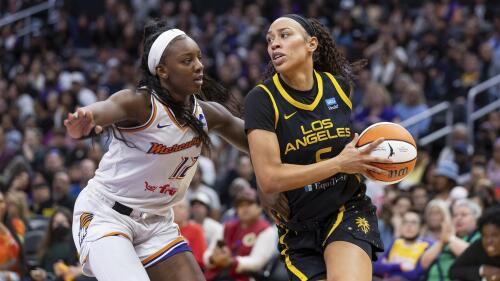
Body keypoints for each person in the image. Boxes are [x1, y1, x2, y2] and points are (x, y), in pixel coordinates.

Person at [64, 20, 247, 281]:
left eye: (199, 57)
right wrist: (86, 119)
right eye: (187, 60)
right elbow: (105, 108)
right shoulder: (141, 104)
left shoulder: (208, 113)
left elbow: (255, 141)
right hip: (106, 215)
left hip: (157, 222)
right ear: (162, 70)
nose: (199, 65)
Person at [244, 14, 388, 281]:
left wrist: (367, 160)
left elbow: (348, 151)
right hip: (298, 226)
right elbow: (270, 178)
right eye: (270, 40)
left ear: (311, 44)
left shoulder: (338, 86)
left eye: (284, 35)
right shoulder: (261, 99)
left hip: (346, 209)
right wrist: (338, 164)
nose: (274, 44)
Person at [203, 188, 278, 281]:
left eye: (249, 204)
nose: (244, 208)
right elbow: (207, 254)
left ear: (260, 207)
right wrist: (213, 258)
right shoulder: (225, 227)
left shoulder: (266, 231)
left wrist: (230, 262)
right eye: (241, 205)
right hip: (218, 274)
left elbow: (257, 262)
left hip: (247, 277)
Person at [373, 210, 432, 281]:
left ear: (420, 227)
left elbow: (414, 275)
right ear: (401, 226)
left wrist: (388, 265)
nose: (409, 226)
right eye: (405, 222)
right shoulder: (396, 242)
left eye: (413, 222)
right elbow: (376, 267)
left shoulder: (425, 246)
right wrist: (399, 266)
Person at [449, 206, 500, 281]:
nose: (489, 241)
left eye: (494, 235)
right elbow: (453, 271)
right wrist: (483, 270)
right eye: (485, 235)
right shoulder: (479, 246)